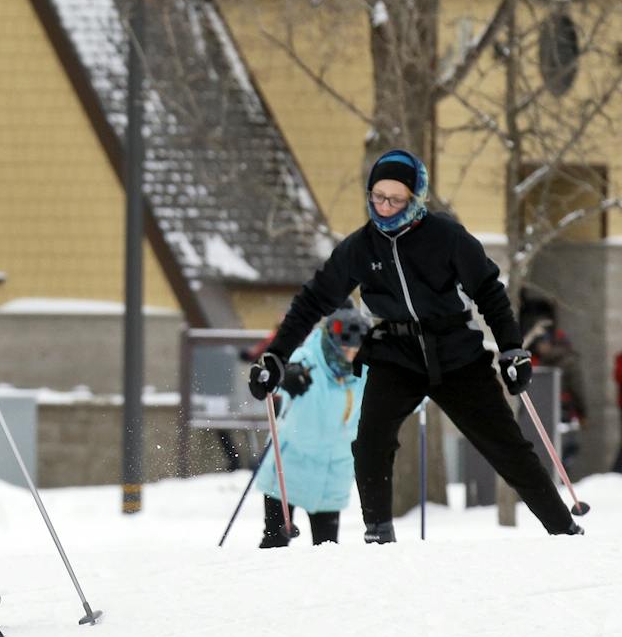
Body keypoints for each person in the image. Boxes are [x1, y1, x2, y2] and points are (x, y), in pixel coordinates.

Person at [250, 149, 583, 541]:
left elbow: (489, 292)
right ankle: (379, 535)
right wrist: (276, 355)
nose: (385, 207)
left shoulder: (447, 237)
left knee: (506, 446)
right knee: (371, 442)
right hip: (396, 352)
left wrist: (512, 349)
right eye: (377, 196)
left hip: (456, 352)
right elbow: (313, 301)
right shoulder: (361, 248)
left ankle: (564, 530)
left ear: (415, 198)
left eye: (395, 198)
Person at [255, 308, 370, 547]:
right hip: (289, 468)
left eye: (355, 350)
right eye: (345, 349)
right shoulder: (307, 359)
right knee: (274, 542)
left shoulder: (366, 373)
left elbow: (397, 397)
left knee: (326, 548)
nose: (350, 356)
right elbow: (276, 380)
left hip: (333, 474)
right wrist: (284, 377)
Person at [518, 293, 587, 468]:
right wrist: (582, 412)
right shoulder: (532, 351)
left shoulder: (559, 352)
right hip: (540, 413)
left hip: (558, 411)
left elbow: (575, 381)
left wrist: (581, 411)